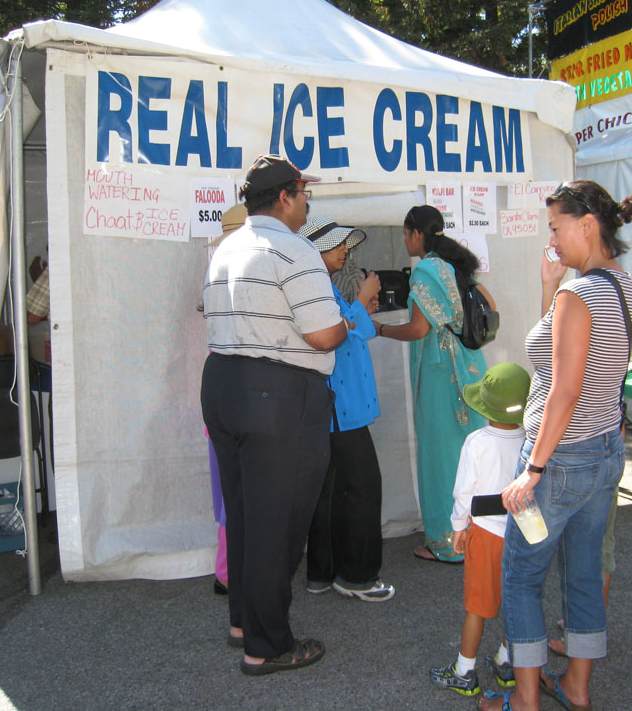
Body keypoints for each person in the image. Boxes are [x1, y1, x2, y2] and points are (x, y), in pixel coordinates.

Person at [480, 180, 632, 711]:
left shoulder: (581, 295)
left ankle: (525, 701)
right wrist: (551, 287)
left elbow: (564, 391)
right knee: (585, 574)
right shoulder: (620, 286)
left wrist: (533, 470)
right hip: (603, 453)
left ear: (586, 225)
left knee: (521, 578)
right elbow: (564, 360)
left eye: (555, 227)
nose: (551, 239)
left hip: (559, 461)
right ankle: (576, 686)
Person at [200, 154, 348, 676]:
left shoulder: (226, 246)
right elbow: (323, 334)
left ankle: (245, 621)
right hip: (277, 394)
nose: (307, 202)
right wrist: (346, 324)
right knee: (277, 522)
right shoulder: (293, 248)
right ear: (285, 197)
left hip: (224, 383)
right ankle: (265, 645)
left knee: (245, 515)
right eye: (304, 193)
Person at [374, 205, 493, 563]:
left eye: (405, 233)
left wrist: (381, 329)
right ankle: (478, 537)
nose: (404, 240)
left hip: (443, 374)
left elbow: (417, 329)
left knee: (441, 457)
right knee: (471, 453)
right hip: (469, 366)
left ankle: (446, 543)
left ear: (416, 234)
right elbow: (489, 305)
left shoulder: (427, 270)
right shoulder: (456, 264)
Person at [296, 214, 394, 603]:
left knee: (331, 490)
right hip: (339, 405)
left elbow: (359, 328)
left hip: (337, 404)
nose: (344, 251)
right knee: (362, 487)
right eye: (336, 245)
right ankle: (357, 576)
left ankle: (322, 573)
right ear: (315, 249)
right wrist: (361, 301)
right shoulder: (316, 287)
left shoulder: (320, 285)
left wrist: (358, 308)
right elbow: (340, 333)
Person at [430, 362, 529, 698]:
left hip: (485, 533)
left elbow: (464, 493)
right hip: (522, 531)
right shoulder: (531, 441)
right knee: (517, 601)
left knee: (477, 606)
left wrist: (458, 527)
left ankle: (464, 671)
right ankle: (506, 661)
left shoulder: (476, 442)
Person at [203, 203, 248, 596]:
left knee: (230, 490)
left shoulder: (218, 272)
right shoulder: (236, 275)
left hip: (223, 390)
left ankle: (229, 571)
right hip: (237, 393)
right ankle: (230, 572)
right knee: (236, 492)